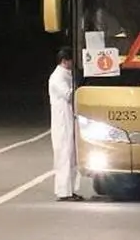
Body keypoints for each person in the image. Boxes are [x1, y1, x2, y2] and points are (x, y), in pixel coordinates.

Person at [48, 47, 83, 202]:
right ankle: (63, 191)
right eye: (70, 60)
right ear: (64, 61)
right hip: (62, 121)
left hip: (69, 119)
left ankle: (70, 190)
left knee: (71, 156)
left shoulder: (66, 74)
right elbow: (69, 95)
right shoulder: (57, 77)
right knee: (64, 154)